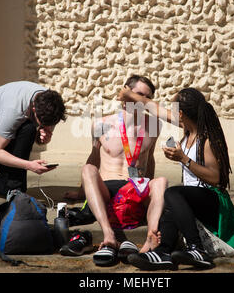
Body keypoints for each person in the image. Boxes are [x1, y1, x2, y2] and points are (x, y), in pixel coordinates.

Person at [119, 87, 234, 271]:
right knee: (170, 204)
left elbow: (215, 178)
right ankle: (163, 252)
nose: (170, 112)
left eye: (173, 109)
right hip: (194, 199)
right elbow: (152, 106)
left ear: (181, 113)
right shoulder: (187, 129)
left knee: (172, 192)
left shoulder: (207, 138)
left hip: (214, 201)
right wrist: (129, 95)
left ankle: (197, 249)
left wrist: (183, 159)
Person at [67, 75, 168, 266]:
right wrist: (80, 192)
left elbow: (150, 160)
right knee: (88, 168)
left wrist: (151, 194)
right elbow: (93, 159)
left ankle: (151, 236)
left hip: (135, 189)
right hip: (108, 188)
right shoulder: (100, 124)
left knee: (161, 182)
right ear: (125, 93)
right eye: (138, 95)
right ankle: (108, 234)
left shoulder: (154, 125)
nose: (141, 101)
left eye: (146, 98)